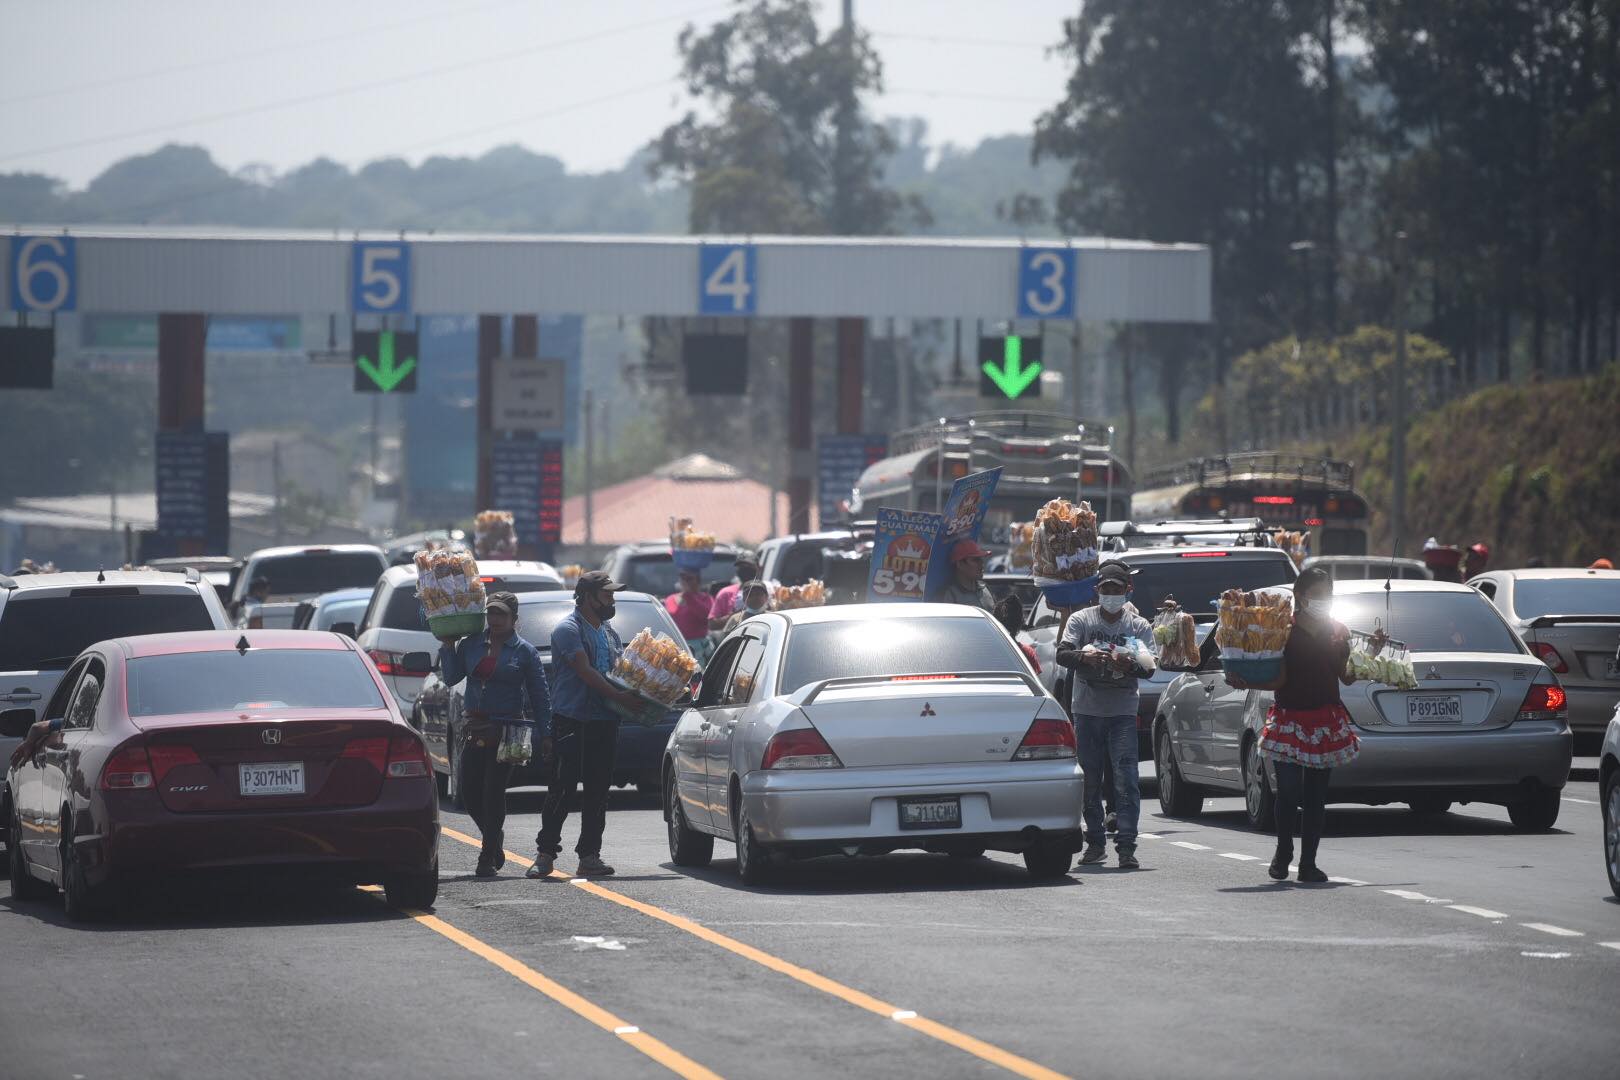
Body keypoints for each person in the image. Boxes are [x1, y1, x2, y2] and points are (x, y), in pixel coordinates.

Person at [1228, 566, 1374, 884]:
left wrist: (1372, 653)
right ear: (1299, 596)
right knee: (1289, 791)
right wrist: (1244, 678)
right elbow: (1278, 678)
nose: (1324, 601)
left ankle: (1309, 863)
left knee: (1316, 796)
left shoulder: (1338, 631)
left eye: (1328, 595)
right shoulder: (1281, 630)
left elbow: (1346, 676)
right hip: (1289, 719)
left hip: (1326, 721)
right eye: (1318, 595)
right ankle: (1283, 854)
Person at [530, 571, 639, 879]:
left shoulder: (610, 634)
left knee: (597, 791)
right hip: (572, 720)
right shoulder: (568, 629)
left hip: (604, 721)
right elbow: (585, 671)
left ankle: (589, 856)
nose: (612, 601)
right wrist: (620, 696)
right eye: (606, 596)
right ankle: (545, 853)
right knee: (562, 789)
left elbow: (621, 673)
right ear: (587, 597)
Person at [436, 591, 552, 878]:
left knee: (493, 792)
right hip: (474, 726)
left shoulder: (525, 651)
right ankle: (493, 837)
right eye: (491, 613)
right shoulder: (471, 644)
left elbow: (540, 695)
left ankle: (486, 855)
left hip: (507, 730)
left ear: (514, 619)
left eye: (502, 614)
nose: (496, 619)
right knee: (468, 791)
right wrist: (448, 647)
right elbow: (451, 678)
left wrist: (546, 733)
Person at [1055, 562, 1156, 869]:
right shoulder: (1081, 620)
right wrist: (1084, 656)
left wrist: (1130, 665)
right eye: (1106, 590)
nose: (1111, 595)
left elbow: (1149, 667)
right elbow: (1062, 654)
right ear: (1097, 591)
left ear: (1128, 591)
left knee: (1126, 780)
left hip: (1123, 712)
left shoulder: (1138, 627)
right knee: (1090, 780)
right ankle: (1095, 842)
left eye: (1117, 590)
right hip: (1087, 711)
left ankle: (1126, 845)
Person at [666, 567, 716, 663]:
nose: (686, 581)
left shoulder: (706, 599)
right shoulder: (670, 599)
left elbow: (706, 617)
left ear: (697, 580)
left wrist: (689, 596)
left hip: (698, 649)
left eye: (689, 579)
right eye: (683, 578)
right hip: (675, 647)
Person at [929, 539, 995, 611]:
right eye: (975, 560)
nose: (981, 564)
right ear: (960, 564)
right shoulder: (947, 595)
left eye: (981, 559)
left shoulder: (985, 589)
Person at [710, 550, 761, 631]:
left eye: (748, 567)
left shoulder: (770, 590)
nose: (745, 570)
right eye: (741, 567)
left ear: (759, 568)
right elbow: (711, 624)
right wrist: (734, 616)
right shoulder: (726, 593)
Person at [993, 594, 1041, 675]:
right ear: (1020, 623)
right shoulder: (1028, 653)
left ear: (994, 622)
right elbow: (1035, 684)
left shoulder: (985, 653)